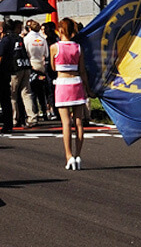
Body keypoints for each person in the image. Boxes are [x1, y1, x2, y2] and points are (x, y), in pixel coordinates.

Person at [53, 18, 87, 171]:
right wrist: (88, 88)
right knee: (78, 122)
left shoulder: (54, 47)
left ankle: (69, 155)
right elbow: (82, 70)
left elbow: (54, 67)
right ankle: (78, 155)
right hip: (77, 83)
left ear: (60, 30)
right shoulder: (78, 48)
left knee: (66, 123)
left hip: (62, 83)